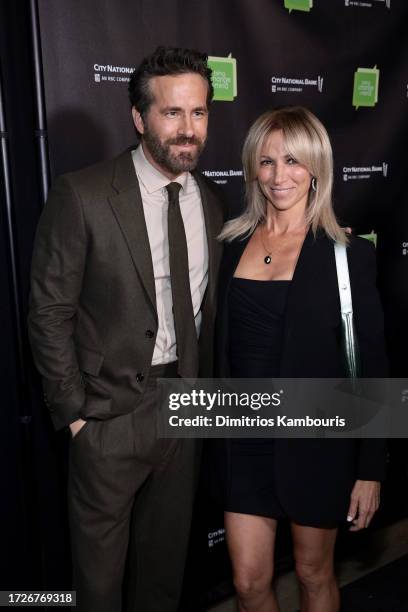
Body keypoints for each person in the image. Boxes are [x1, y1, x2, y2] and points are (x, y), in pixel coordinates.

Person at [28, 46, 226, 612]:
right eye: (172, 113)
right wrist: (75, 417)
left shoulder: (210, 202)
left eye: (199, 112)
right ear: (140, 118)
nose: (189, 130)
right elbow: (49, 310)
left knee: (162, 579)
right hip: (108, 420)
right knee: (98, 589)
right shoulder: (84, 194)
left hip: (184, 410)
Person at [214, 106, 388, 612]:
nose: (278, 175)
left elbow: (368, 366)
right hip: (243, 439)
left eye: (293, 160)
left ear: (316, 168)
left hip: (316, 442)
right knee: (248, 583)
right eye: (266, 162)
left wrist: (370, 469)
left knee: (314, 574)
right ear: (252, 169)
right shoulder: (232, 245)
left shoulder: (345, 255)